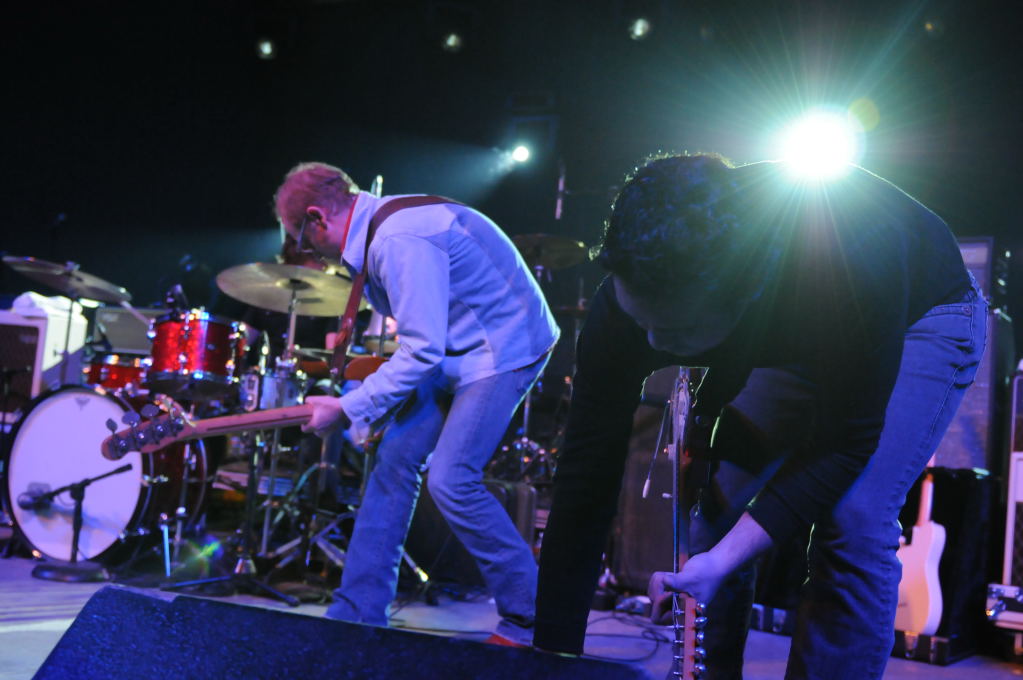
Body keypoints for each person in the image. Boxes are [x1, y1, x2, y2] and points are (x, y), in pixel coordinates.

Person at [534, 153, 986, 678]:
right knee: (717, 509)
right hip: (795, 327)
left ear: (742, 297)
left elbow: (847, 442)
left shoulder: (850, 258)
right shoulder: (621, 311)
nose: (653, 345)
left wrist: (727, 559)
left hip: (921, 314)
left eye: (677, 334)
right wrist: (553, 660)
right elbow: (584, 478)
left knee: (854, 520)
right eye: (642, 324)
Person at [273, 162, 559, 645]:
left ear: (318, 218)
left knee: (452, 479)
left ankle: (532, 616)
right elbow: (424, 343)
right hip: (454, 351)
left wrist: (346, 408)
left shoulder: (397, 239)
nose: (310, 253)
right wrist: (368, 406)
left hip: (503, 348)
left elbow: (421, 351)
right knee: (393, 463)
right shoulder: (380, 233)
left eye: (302, 239)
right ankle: (358, 614)